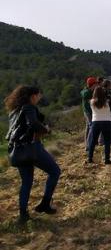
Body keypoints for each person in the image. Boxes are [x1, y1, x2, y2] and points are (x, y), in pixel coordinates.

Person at [4, 86, 61, 224]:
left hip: (17, 151)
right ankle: (45, 204)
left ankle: (23, 215)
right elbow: (33, 124)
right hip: (32, 148)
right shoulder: (29, 107)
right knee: (55, 171)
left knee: (26, 182)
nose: (39, 98)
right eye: (38, 95)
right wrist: (46, 129)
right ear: (32, 96)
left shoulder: (14, 111)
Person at [87, 87, 111, 164]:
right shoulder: (107, 101)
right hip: (107, 122)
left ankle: (90, 158)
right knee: (107, 142)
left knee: (93, 141)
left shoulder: (91, 102)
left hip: (95, 122)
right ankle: (107, 159)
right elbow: (110, 99)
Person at [80, 76, 97, 151]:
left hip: (90, 111)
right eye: (95, 84)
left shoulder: (90, 90)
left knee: (88, 127)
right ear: (92, 84)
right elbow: (83, 94)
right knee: (91, 126)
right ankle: (88, 146)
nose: (96, 85)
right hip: (88, 112)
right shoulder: (86, 92)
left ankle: (88, 143)